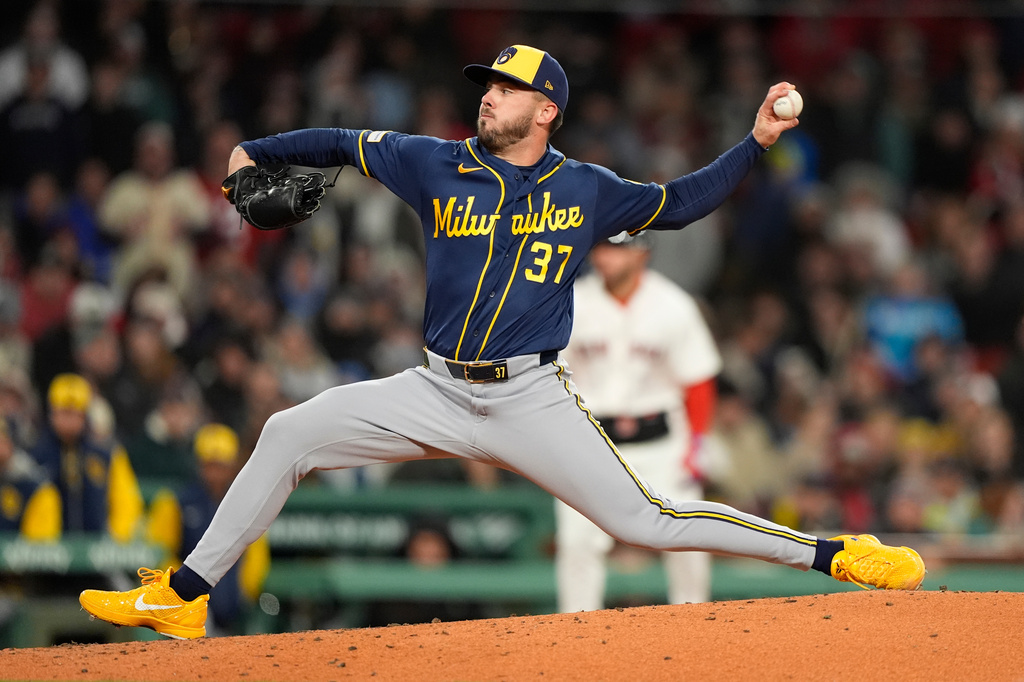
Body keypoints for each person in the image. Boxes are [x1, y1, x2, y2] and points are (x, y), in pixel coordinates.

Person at [79, 44, 926, 640]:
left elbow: (684, 200)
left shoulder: (587, 187)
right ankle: (187, 595)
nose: (488, 96)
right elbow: (336, 140)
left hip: (529, 397)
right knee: (287, 432)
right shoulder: (431, 161)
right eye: (487, 85)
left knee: (649, 522)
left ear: (546, 108)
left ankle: (836, 553)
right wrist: (248, 155)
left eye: (507, 89)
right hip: (434, 389)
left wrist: (757, 144)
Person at [555, 230, 720, 610]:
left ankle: (694, 620)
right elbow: (556, 374)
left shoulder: (674, 305)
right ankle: (574, 632)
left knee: (686, 536)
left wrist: (698, 442)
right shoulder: (572, 300)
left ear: (641, 253)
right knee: (577, 541)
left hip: (660, 439)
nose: (604, 257)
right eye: (600, 248)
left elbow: (697, 380)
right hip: (593, 439)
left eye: (615, 249)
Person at [146, 424, 269, 635]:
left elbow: (256, 548)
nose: (215, 472)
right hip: (189, 610)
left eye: (221, 466)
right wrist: (181, 590)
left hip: (234, 604)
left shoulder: (245, 503)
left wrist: (247, 587)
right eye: (210, 465)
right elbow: (161, 551)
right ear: (199, 464)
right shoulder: (176, 501)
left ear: (232, 467)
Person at [31, 373, 143, 541]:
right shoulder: (35, 455)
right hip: (49, 557)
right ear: (52, 413)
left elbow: (126, 503)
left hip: (97, 550)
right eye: (64, 412)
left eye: (76, 413)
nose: (70, 421)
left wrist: (116, 539)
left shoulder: (106, 454)